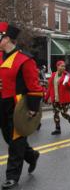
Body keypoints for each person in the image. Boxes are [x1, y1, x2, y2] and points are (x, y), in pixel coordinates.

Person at [0, 22, 43, 189]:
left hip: (18, 106)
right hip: (1, 104)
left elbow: (34, 86)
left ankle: (12, 177)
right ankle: (32, 156)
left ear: (7, 39)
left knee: (16, 142)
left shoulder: (25, 59)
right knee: (8, 139)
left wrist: (33, 109)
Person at [44, 61, 70, 135]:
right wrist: (46, 98)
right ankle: (57, 129)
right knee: (56, 113)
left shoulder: (67, 75)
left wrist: (66, 83)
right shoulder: (53, 75)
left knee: (63, 113)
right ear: (57, 66)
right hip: (55, 99)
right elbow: (50, 88)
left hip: (64, 99)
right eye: (61, 66)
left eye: (64, 66)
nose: (63, 67)